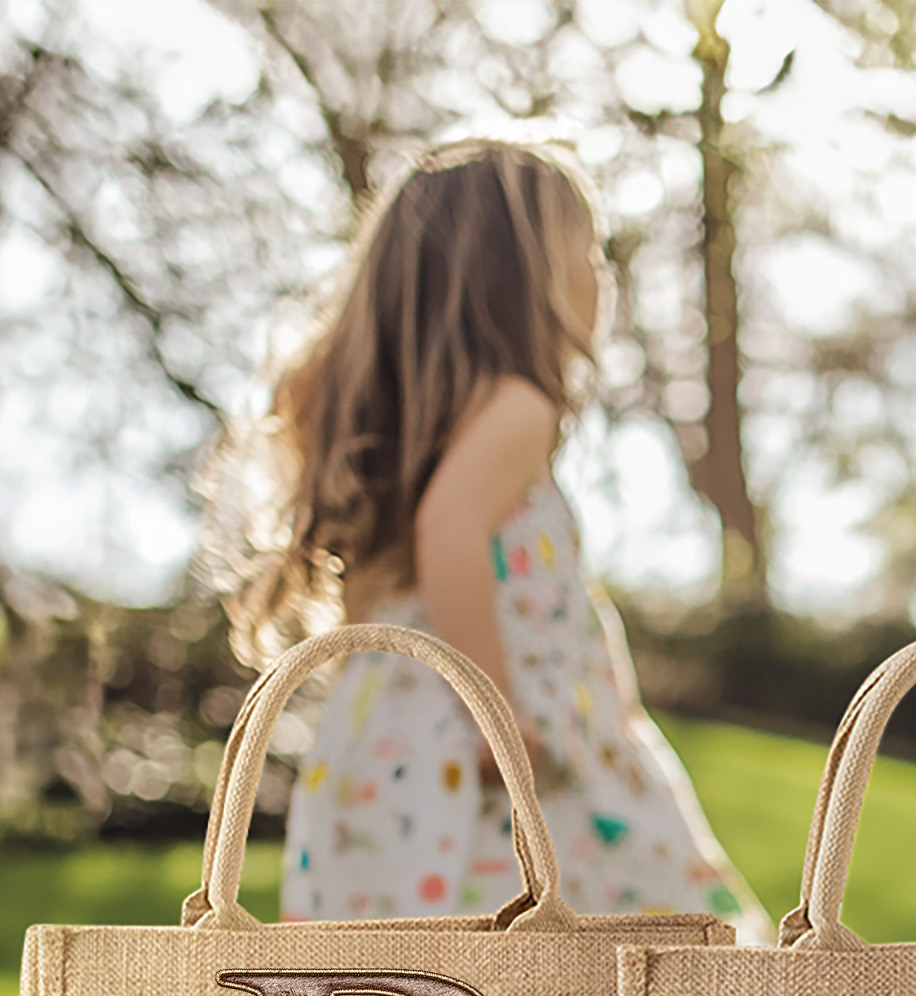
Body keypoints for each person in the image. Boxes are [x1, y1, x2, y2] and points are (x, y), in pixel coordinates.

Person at [202, 139, 768, 937]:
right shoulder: (520, 406)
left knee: (408, 973)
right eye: (589, 251)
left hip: (385, 751)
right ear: (522, 274)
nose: (602, 276)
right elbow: (452, 532)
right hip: (487, 750)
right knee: (613, 968)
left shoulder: (410, 439)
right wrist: (501, 716)